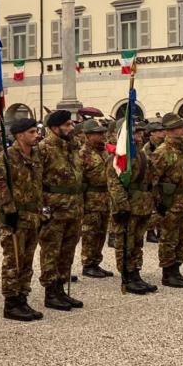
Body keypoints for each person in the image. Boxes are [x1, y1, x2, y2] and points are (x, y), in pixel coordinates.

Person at [0, 117, 44, 321]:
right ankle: (11, 303)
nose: (36, 135)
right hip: (14, 217)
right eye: (31, 132)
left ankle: (22, 298)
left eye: (36, 131)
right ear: (19, 135)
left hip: (33, 216)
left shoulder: (36, 156)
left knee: (27, 261)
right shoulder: (7, 157)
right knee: (14, 261)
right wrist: (9, 209)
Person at [36, 110, 84, 310]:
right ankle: (50, 292)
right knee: (51, 251)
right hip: (54, 209)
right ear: (55, 128)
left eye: (71, 124)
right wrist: (42, 208)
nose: (71, 128)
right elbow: (36, 180)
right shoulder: (43, 149)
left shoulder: (71, 147)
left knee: (67, 251)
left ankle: (61, 289)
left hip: (73, 207)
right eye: (67, 125)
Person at [106, 127, 158, 294]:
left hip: (142, 205)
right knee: (125, 243)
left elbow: (151, 177)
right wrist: (122, 206)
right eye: (134, 133)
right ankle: (127, 276)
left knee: (137, 242)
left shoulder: (141, 154)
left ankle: (136, 273)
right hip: (128, 206)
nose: (138, 136)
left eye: (140, 133)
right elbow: (115, 184)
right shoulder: (119, 156)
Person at [148, 113, 183, 287]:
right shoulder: (163, 152)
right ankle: (167, 273)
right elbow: (152, 180)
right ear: (170, 130)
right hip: (170, 202)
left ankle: (177, 269)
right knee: (169, 237)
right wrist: (158, 204)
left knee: (182, 237)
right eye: (180, 127)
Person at [77, 119, 114, 278]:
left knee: (101, 232)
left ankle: (96, 261)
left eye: (102, 132)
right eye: (98, 133)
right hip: (90, 199)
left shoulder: (104, 151)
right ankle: (88, 263)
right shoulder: (83, 153)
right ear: (88, 135)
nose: (102, 135)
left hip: (105, 197)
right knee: (90, 233)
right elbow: (80, 180)